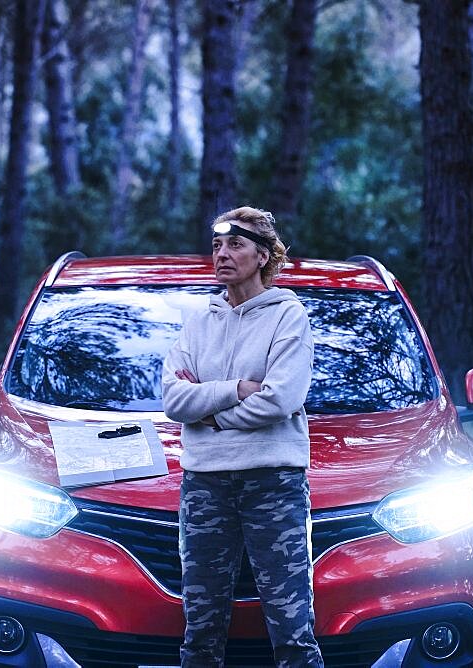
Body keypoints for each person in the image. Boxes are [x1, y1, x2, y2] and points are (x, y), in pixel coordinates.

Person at [161, 206, 322, 667]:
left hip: (272, 482)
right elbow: (173, 398)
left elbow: (279, 399)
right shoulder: (198, 323)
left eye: (236, 244)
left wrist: (209, 415)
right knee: (201, 628)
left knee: (291, 627)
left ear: (264, 255)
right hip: (205, 484)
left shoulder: (287, 317)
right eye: (217, 245)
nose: (223, 254)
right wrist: (233, 390)